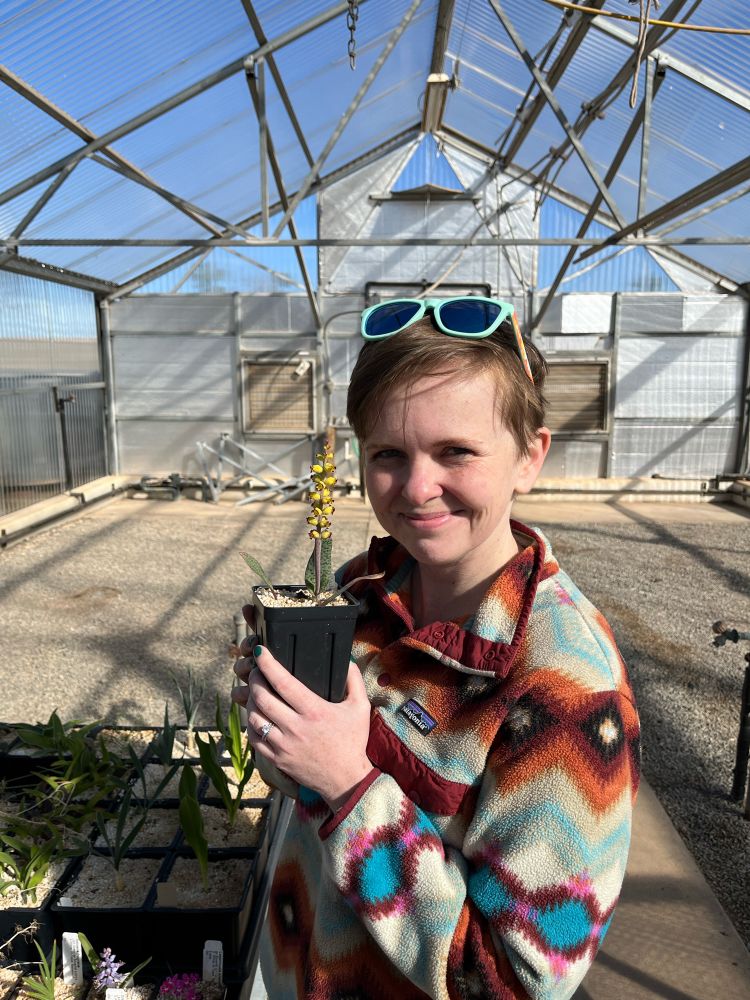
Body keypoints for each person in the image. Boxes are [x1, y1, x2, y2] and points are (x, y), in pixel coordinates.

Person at [232, 296, 640, 1000]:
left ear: (529, 458)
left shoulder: (566, 687)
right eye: (389, 454)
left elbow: (514, 979)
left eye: (456, 452)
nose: (419, 488)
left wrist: (347, 788)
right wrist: (283, 728)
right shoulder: (363, 593)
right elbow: (301, 789)